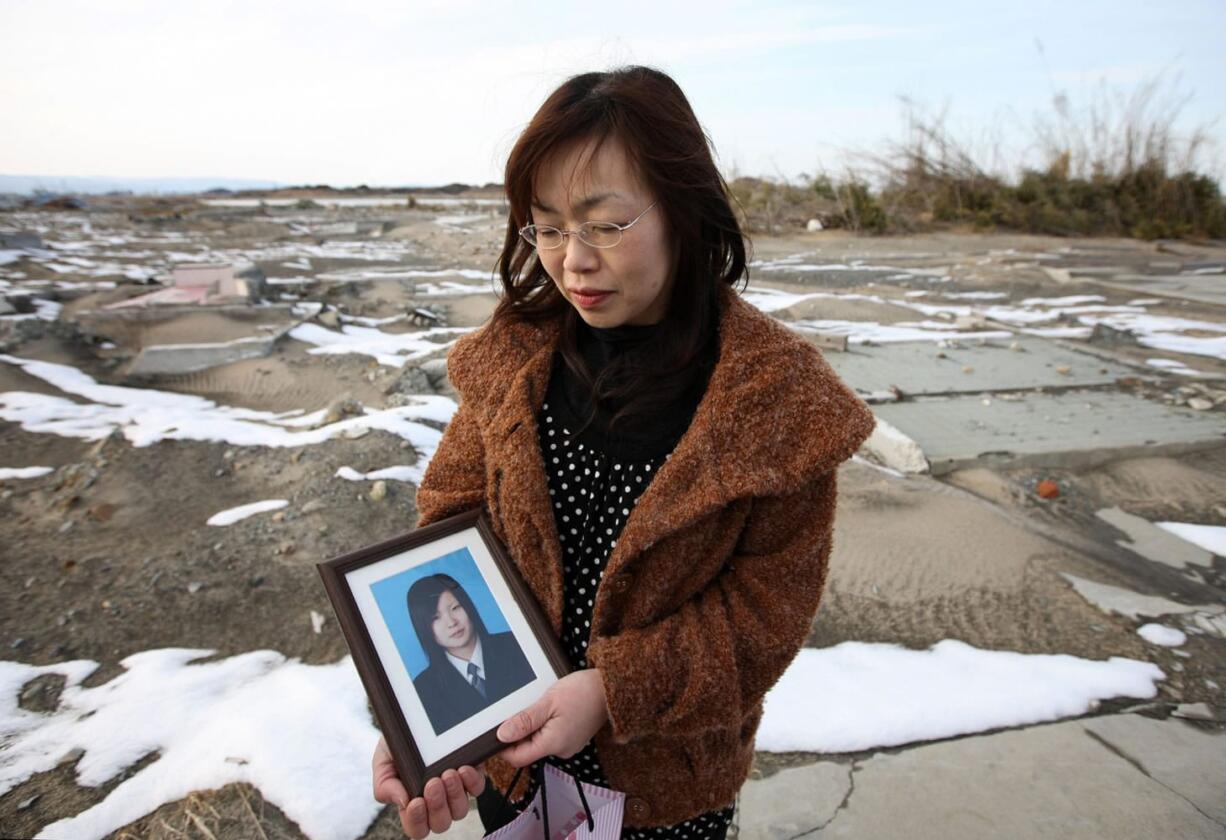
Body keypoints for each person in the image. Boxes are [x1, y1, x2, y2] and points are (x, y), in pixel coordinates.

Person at [371, 65, 876, 839]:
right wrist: (429, 716)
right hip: (514, 757)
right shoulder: (512, 359)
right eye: (546, 225)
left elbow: (766, 613)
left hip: (669, 786)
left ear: (683, 209)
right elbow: (451, 521)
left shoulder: (780, 402)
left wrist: (615, 690)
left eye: (605, 224)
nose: (572, 259)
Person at [405, 574, 536, 736]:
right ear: (423, 628)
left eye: (455, 608)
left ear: (469, 606)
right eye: (435, 618)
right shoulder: (423, 690)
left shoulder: (518, 643)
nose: (451, 622)